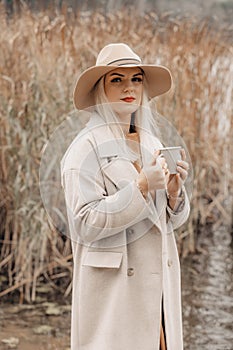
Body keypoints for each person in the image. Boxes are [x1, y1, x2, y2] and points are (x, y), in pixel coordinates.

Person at [61, 43, 190, 350]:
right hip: (116, 291)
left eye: (136, 79)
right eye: (116, 80)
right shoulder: (84, 148)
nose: (128, 88)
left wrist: (173, 195)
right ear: (100, 89)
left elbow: (167, 223)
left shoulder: (151, 140)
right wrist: (141, 187)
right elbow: (84, 223)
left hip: (156, 286)